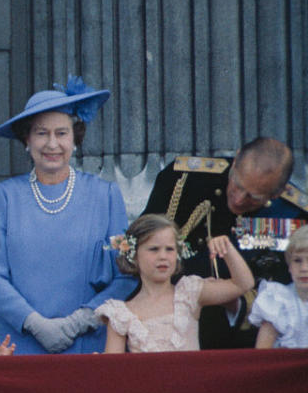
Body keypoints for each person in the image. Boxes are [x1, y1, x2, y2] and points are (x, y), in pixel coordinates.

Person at [0, 77, 136, 355]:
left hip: (89, 345)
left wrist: (79, 322)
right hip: (20, 345)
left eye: (61, 133)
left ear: (75, 139)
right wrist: (35, 324)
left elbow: (125, 276)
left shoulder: (105, 195)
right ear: (26, 139)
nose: (52, 144)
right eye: (41, 133)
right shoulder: (1, 196)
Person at [141, 137, 308, 348]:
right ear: (236, 159)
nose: (238, 199)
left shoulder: (292, 215)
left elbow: (285, 291)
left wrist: (235, 302)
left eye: (253, 197)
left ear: (276, 193)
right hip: (169, 322)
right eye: (237, 185)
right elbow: (139, 246)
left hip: (239, 339)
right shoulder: (185, 179)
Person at [96, 215, 254, 353]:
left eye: (170, 249)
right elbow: (113, 368)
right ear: (134, 255)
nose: (163, 256)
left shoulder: (189, 293)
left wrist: (227, 248)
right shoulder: (121, 314)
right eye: (154, 249)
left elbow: (243, 284)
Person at [249, 225, 308, 348]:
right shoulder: (278, 300)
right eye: (297, 261)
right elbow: (262, 357)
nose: (304, 268)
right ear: (289, 266)